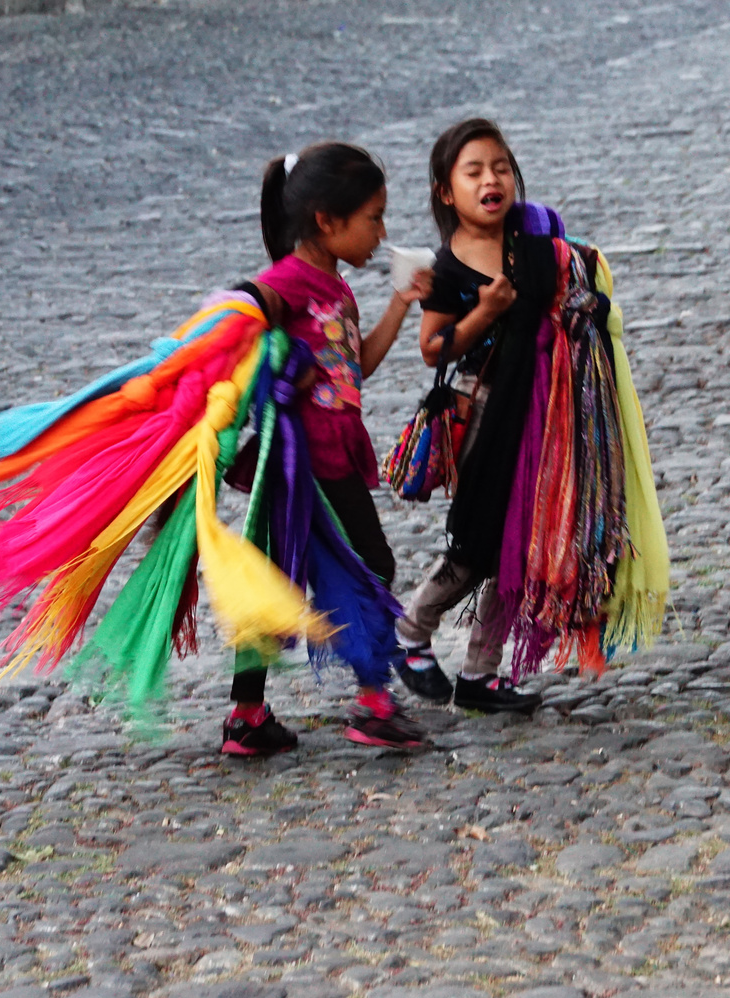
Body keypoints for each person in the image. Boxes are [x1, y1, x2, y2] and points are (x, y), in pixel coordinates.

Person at [222, 142, 432, 756]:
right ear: (326, 220)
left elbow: (356, 365)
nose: (382, 232)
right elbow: (232, 338)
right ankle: (372, 702)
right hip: (304, 462)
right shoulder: (281, 284)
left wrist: (399, 303)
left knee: (278, 580)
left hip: (334, 449)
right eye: (373, 217)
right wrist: (283, 369)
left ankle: (248, 716)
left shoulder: (336, 288)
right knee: (370, 564)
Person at [394, 119, 547, 713]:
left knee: (522, 547)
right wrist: (484, 315)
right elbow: (434, 347)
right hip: (482, 415)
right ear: (445, 192)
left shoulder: (531, 244)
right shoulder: (450, 267)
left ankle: (482, 673)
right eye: (475, 170)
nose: (493, 179)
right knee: (478, 541)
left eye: (502, 167)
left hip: (536, 414)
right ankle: (412, 628)